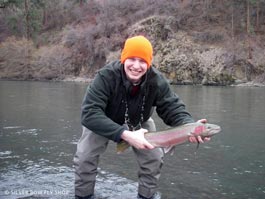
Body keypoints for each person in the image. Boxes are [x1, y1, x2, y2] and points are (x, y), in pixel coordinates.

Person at [74, 35, 210, 199]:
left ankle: (146, 196)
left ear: (149, 63)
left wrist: (190, 126)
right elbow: (89, 114)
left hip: (139, 121)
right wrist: (125, 135)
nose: (136, 66)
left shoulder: (157, 80)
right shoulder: (105, 77)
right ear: (124, 58)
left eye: (143, 61)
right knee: (84, 158)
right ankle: (83, 196)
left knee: (154, 158)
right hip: (102, 120)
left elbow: (172, 108)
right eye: (132, 59)